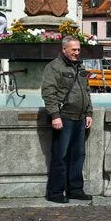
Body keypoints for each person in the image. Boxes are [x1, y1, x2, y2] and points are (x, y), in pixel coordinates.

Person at [41, 36, 93, 204]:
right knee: (60, 156)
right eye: (74, 50)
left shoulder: (80, 67)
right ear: (64, 50)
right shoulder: (54, 67)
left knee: (78, 155)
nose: (77, 53)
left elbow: (86, 91)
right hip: (64, 117)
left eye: (78, 50)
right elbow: (49, 92)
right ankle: (55, 193)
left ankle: (75, 190)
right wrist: (55, 115)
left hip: (80, 118)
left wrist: (89, 112)